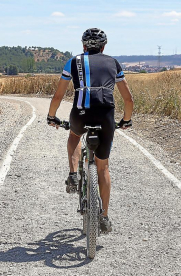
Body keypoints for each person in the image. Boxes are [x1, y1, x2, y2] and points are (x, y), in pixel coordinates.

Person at [47, 28, 134, 233]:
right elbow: (128, 99)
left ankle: (73, 174)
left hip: (81, 113)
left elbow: (58, 96)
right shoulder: (113, 63)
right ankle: (104, 216)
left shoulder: (73, 62)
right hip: (105, 116)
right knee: (103, 167)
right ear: (104, 46)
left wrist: (51, 116)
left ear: (83, 45)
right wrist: (126, 121)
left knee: (75, 136)